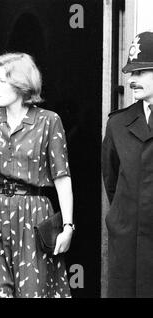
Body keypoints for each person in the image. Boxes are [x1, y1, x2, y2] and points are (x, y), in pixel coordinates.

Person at [0, 53, 74, 298]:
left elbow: (62, 177)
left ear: (20, 84)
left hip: (34, 215)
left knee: (34, 293)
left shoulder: (49, 121)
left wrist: (68, 226)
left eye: (0, 81)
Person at [102, 31, 153, 297]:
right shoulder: (117, 124)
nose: (131, 80)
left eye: (141, 72)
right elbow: (112, 183)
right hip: (127, 248)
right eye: (130, 73)